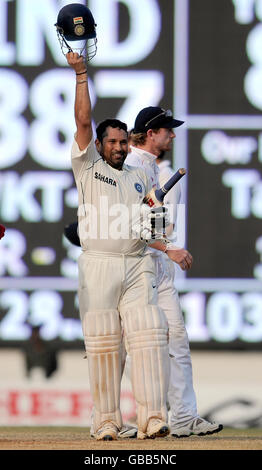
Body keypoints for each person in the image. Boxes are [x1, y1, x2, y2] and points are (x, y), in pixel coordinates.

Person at [65, 52, 173, 441]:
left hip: (135, 261)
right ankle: (107, 420)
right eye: (112, 142)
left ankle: (152, 419)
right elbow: (81, 119)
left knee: (148, 332)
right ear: (98, 144)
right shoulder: (88, 165)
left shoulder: (138, 177)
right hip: (99, 264)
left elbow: (149, 226)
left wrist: (158, 224)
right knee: (104, 342)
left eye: (124, 142)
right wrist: (81, 74)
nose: (119, 148)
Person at [126, 106, 223, 438]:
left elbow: (156, 222)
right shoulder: (127, 168)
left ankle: (183, 417)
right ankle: (108, 418)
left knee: (176, 341)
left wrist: (167, 249)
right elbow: (130, 225)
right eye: (168, 130)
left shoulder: (154, 168)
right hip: (134, 268)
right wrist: (169, 248)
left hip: (160, 267)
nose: (174, 135)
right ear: (151, 133)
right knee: (127, 347)